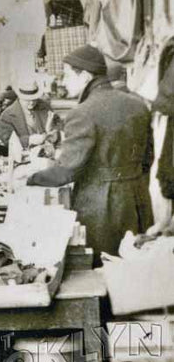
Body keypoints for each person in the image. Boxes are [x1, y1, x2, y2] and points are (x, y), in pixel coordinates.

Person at [27, 45, 154, 262]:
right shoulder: (138, 105)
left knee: (102, 270)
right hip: (138, 201)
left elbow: (66, 171)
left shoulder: (82, 113)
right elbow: (147, 159)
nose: (63, 82)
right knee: (136, 268)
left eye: (67, 75)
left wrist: (30, 178)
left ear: (85, 75)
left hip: (101, 209)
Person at [0, 78, 57, 149]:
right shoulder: (7, 115)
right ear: (20, 97)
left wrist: (50, 129)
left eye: (34, 99)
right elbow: (7, 141)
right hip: (23, 156)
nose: (32, 102)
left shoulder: (45, 107)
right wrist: (30, 140)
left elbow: (58, 128)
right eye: (27, 100)